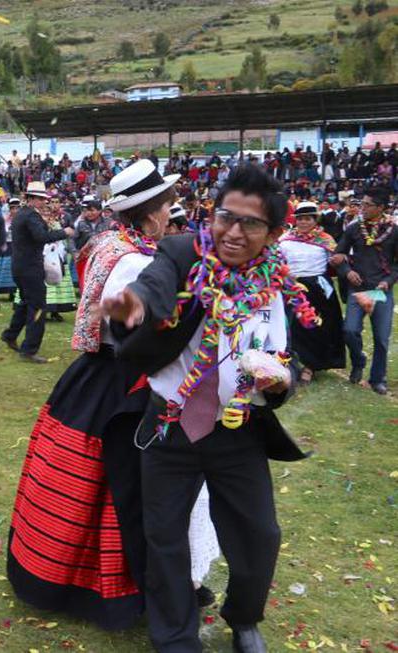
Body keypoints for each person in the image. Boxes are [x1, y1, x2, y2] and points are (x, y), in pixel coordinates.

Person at [104, 164, 317, 652]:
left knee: (258, 534)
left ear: (274, 232)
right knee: (165, 538)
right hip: (169, 425)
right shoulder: (182, 253)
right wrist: (135, 306)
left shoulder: (275, 280)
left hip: (238, 429)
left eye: (251, 224)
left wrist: (280, 378)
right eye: (226, 217)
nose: (234, 232)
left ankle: (244, 619)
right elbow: (156, 288)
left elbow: (286, 355)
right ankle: (176, 638)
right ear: (211, 215)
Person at [9, 160, 194, 631]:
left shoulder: (111, 243)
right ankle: (120, 588)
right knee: (127, 485)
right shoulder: (136, 260)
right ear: (152, 212)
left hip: (94, 377)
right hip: (122, 380)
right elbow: (135, 328)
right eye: (168, 206)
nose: (172, 214)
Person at [0, 182, 74, 363]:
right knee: (38, 307)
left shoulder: (20, 215)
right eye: (40, 199)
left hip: (19, 266)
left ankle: (10, 335)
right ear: (30, 198)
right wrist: (64, 232)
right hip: (31, 268)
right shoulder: (31, 216)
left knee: (25, 303)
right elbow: (41, 237)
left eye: (44, 199)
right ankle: (29, 349)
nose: (43, 202)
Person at [333, 186, 397, 395]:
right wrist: (347, 272)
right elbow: (339, 254)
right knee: (350, 331)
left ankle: (377, 379)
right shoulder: (354, 228)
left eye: (368, 205)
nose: (363, 208)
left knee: (380, 337)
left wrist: (387, 281)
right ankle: (358, 360)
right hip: (357, 289)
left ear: (381, 208)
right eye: (362, 204)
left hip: (380, 290)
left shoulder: (393, 230)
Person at [278, 201, 345, 383]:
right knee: (291, 327)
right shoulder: (285, 239)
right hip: (291, 287)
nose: (304, 222)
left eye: (308, 219)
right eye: (300, 219)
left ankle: (311, 366)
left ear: (315, 220)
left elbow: (336, 262)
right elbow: (276, 260)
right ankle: (290, 363)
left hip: (317, 288)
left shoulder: (326, 239)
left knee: (316, 327)